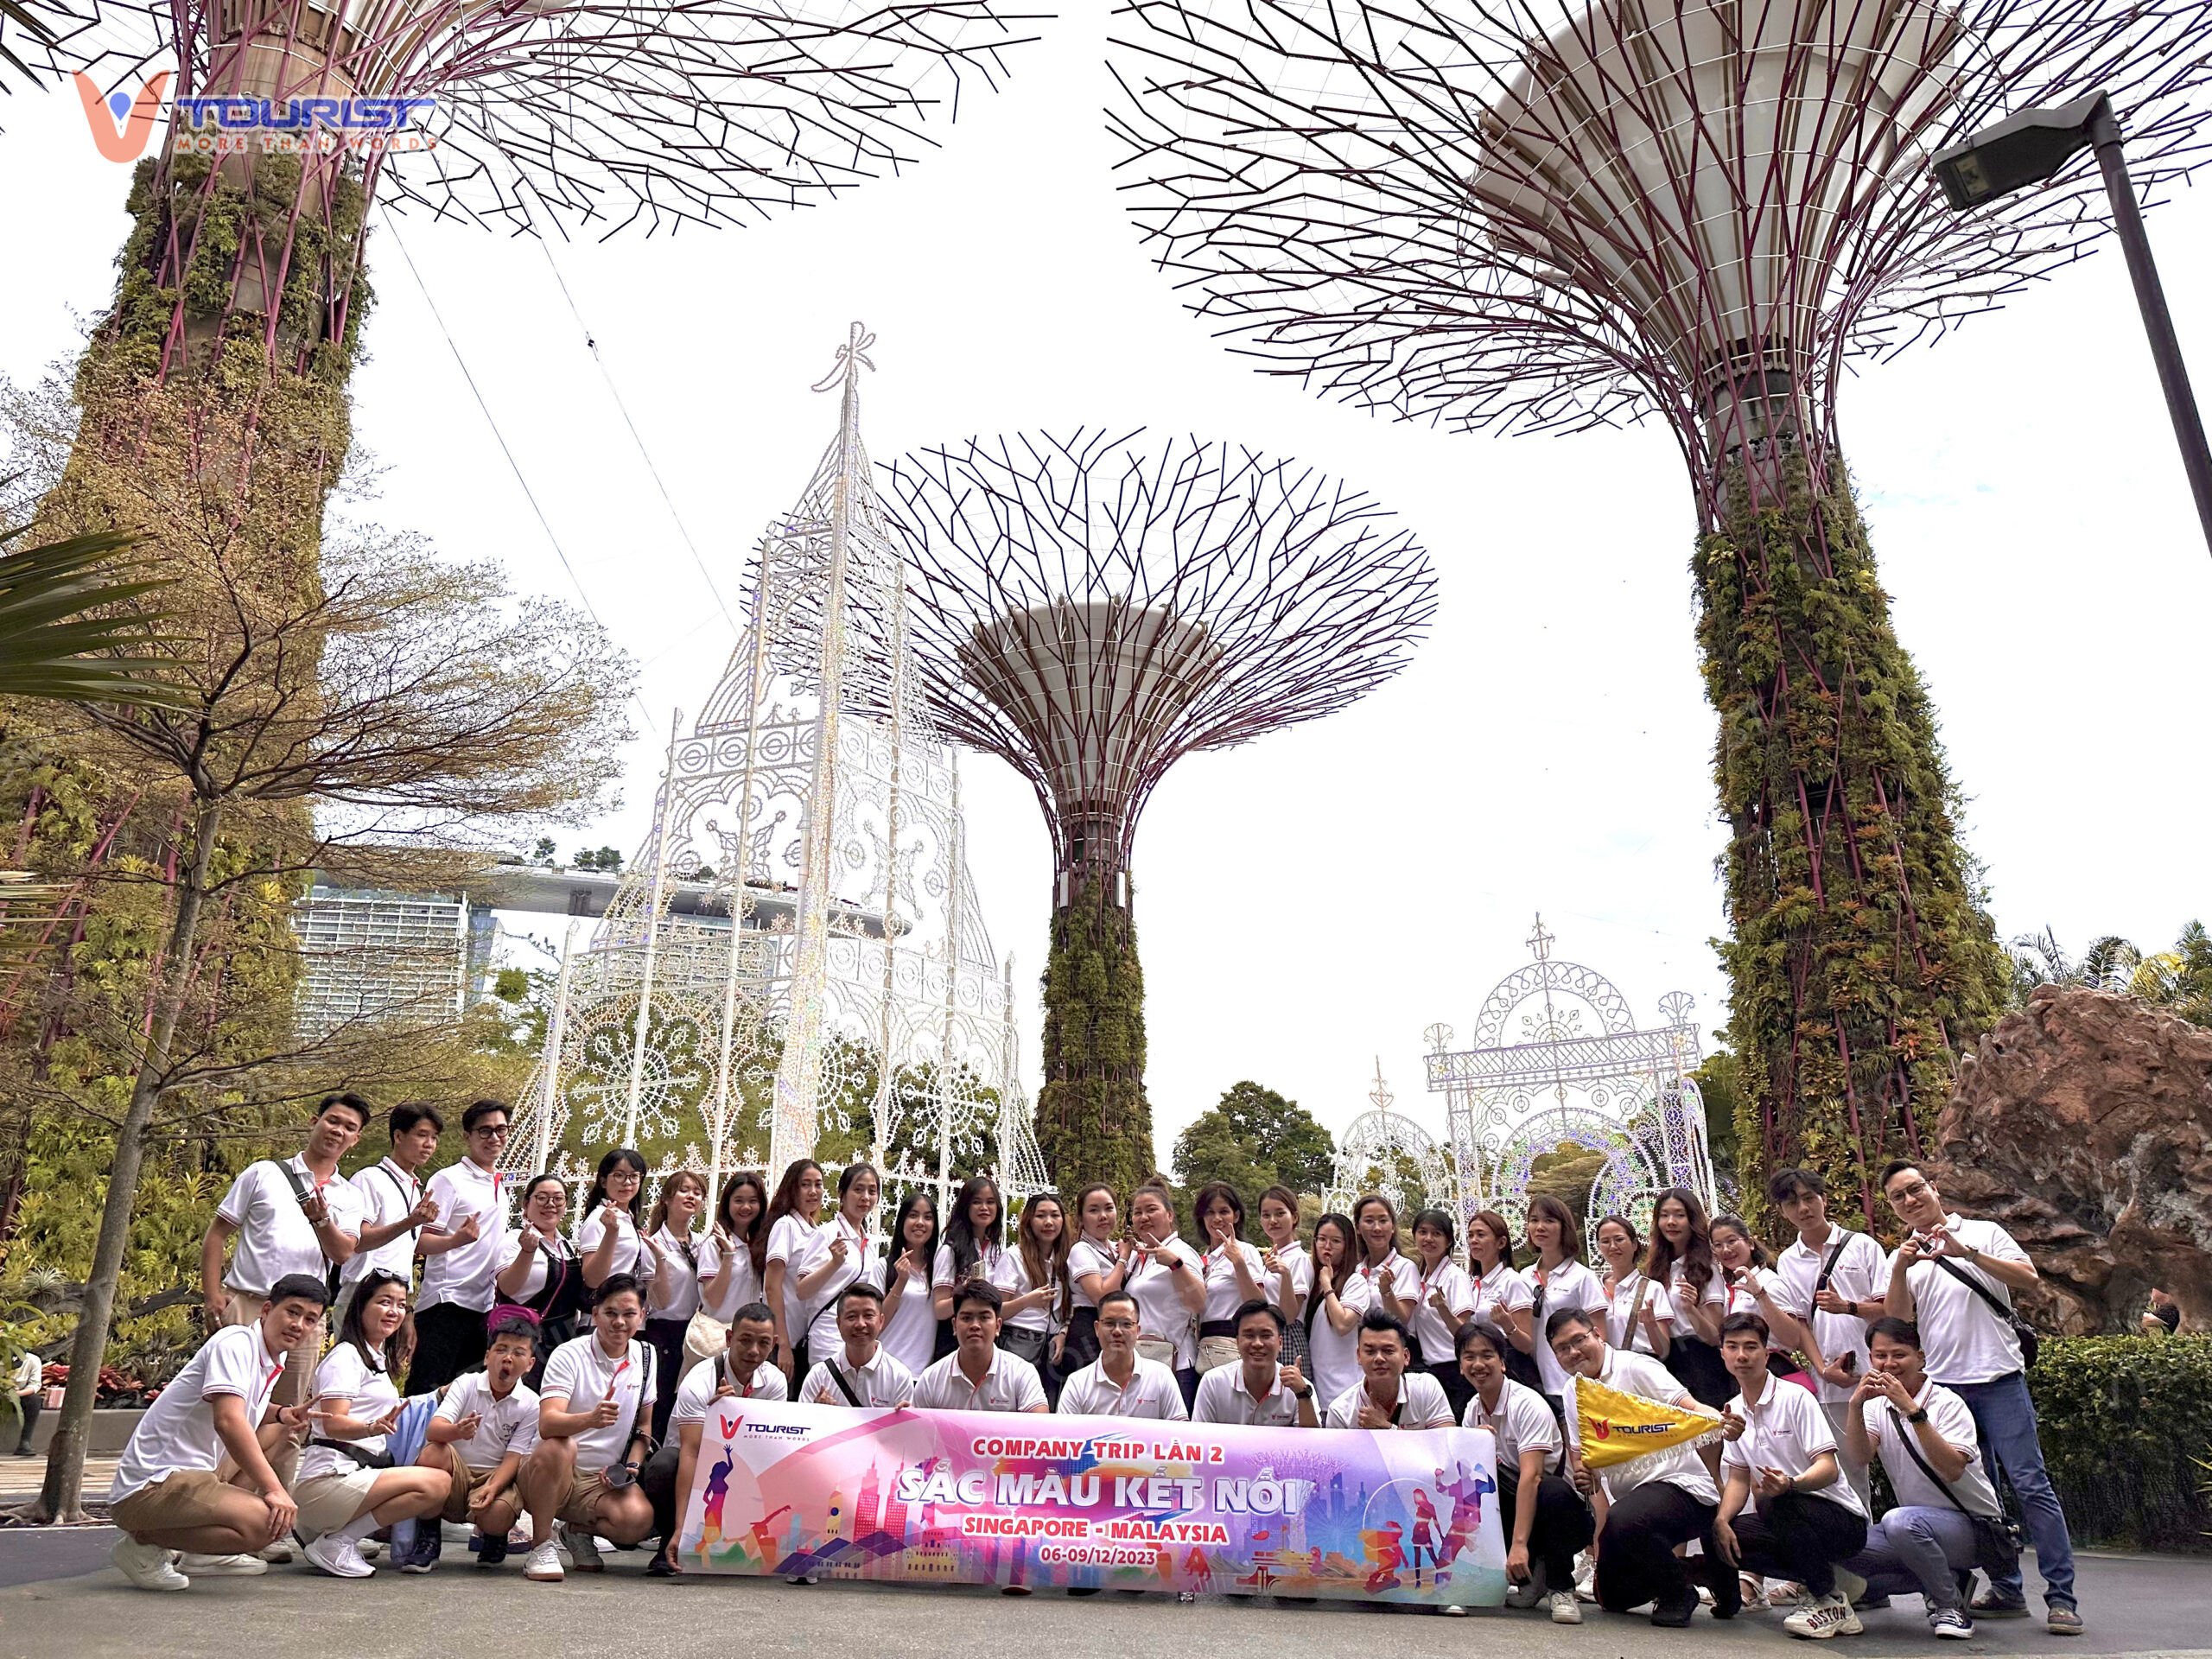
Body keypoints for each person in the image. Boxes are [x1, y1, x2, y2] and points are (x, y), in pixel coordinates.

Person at [1880, 1160, 2079, 1635]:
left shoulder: (1984, 1233)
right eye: (1898, 1197)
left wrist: (1964, 1251)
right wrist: (1902, 1268)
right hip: (1946, 1390)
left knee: (2031, 1486)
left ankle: (2061, 1598)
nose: (1910, 1201)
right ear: (1894, 1209)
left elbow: (2027, 1279)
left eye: (1915, 1189)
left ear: (1933, 1188)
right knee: (1976, 1495)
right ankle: (2007, 1588)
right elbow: (1896, 1322)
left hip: (1999, 1380)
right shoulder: (1903, 1255)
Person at [106, 1273, 327, 1592]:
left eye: (310, 1319)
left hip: (195, 1475)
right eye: (292, 1312)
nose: (299, 1325)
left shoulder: (268, 1358)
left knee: (278, 1430)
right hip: (150, 1487)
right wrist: (274, 1489)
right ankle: (142, 1546)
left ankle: (204, 1557)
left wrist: (282, 1413)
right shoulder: (235, 1342)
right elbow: (229, 1421)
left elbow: (244, 1406)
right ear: (266, 1310)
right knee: (265, 1525)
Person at [1549, 1306, 1726, 1628]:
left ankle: (1678, 1593)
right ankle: (1698, 1569)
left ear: (1597, 1334)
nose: (1573, 1352)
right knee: (1612, 1597)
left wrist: (1721, 1420)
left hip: (1683, 1488)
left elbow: (1689, 1408)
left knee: (1626, 1520)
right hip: (1631, 1504)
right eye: (1562, 1349)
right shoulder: (1572, 1391)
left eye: (1579, 1340)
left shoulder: (1636, 1366)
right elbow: (1583, 1459)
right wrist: (1585, 1479)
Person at [201, 1094, 369, 1428]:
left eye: (349, 1127)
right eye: (332, 1120)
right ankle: (217, 1481)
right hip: (247, 1303)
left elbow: (343, 1253)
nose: (338, 1131)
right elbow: (217, 1234)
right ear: (314, 1121)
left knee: (290, 1418)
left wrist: (322, 1221)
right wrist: (212, 1296)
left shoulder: (350, 1195)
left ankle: (276, 1483)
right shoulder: (263, 1173)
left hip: (305, 1317)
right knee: (229, 1410)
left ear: (355, 1139)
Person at [1840, 1317, 2007, 1640]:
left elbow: (1952, 1468)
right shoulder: (1877, 1407)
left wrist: (1912, 1410)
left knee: (1900, 1522)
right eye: (1880, 1355)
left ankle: (1950, 1606)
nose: (1889, 1364)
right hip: (1918, 1527)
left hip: (1975, 1528)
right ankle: (1950, 1579)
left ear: (1921, 1357)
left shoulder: (1947, 1403)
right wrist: (1855, 1406)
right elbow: (1860, 1457)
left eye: (1899, 1354)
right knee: (1847, 1548)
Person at [1712, 1311, 1869, 1637]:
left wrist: (1791, 1484)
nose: (1742, 1355)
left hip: (1840, 1520)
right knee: (1720, 1529)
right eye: (1733, 1347)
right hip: (1789, 1517)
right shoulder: (1734, 1409)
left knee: (1773, 1502)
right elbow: (1739, 1479)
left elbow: (1828, 1468)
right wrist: (1722, 1520)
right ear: (1722, 1353)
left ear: (1766, 1353)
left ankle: (1828, 1599)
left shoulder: (1795, 1397)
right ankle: (1735, 1599)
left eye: (1751, 1347)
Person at [293, 1268, 448, 1578]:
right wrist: (370, 1428)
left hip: (354, 1473)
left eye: (401, 1304)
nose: (394, 1311)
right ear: (362, 1305)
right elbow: (333, 1422)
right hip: (329, 1478)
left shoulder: (374, 1358)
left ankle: (337, 1534)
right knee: (436, 1484)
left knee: (433, 1479)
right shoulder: (346, 1357)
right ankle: (338, 1541)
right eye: (385, 1302)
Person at [519, 1272, 657, 1583]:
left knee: (638, 1521)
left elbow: (644, 1428)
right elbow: (548, 1423)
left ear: (643, 1316)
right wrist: (590, 1420)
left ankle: (575, 1532)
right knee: (560, 1444)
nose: (619, 1322)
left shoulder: (646, 1357)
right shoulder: (569, 1354)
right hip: (552, 1471)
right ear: (594, 1314)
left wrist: (632, 1465)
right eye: (610, 1313)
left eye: (629, 1314)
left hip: (603, 1481)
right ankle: (541, 1544)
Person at [1455, 1319, 1590, 1624]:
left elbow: (1532, 1478)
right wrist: (1475, 1443)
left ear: (1502, 1363)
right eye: (1469, 1357)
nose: (1478, 1364)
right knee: (1469, 1489)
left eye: (1487, 1355)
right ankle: (1516, 1579)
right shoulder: (1471, 1410)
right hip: (1514, 1503)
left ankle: (1560, 1587)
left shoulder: (1528, 1404)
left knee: (1550, 1492)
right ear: (1460, 1365)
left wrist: (1518, 1546)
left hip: (1562, 1512)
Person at [1772, 1166, 1891, 1510]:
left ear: (1824, 1199)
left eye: (1810, 1198)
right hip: (1834, 1386)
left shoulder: (1862, 1245)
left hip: (1883, 1375)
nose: (1804, 1208)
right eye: (1793, 1203)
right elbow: (1801, 1326)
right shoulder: (1788, 1262)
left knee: (1904, 1463)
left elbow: (1889, 1309)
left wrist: (1848, 1307)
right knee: (1852, 1477)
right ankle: (1864, 1552)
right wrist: (1822, 1369)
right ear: (1783, 1211)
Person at [639, 1301, 785, 1578]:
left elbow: (767, 1450)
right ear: (729, 1338)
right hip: (692, 1464)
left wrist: (738, 1421)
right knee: (663, 1465)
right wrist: (716, 1423)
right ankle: (672, 1538)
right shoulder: (699, 1380)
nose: (754, 1351)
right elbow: (690, 1453)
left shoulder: (775, 1382)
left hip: (742, 1465)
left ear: (774, 1343)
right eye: (745, 1340)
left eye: (763, 1343)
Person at [408, 1308, 541, 1572]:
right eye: (501, 1349)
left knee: (498, 1515)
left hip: (494, 1474)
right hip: (455, 1474)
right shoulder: (466, 1384)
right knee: (433, 1453)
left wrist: (493, 1487)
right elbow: (435, 1430)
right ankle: (428, 1539)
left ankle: (494, 1536)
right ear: (487, 1356)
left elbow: (514, 1456)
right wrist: (457, 1432)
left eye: (518, 1352)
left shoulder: (531, 1404)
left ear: (530, 1364)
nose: (508, 1358)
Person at [412, 1100, 515, 1394]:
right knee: (427, 1392)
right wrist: (456, 1241)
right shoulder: (449, 1180)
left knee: (463, 1397)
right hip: (447, 1303)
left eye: (500, 1130)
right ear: (467, 1136)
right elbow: (418, 1240)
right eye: (484, 1131)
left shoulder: (499, 1185)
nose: (494, 1138)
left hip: (483, 1306)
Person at [336, 1102, 444, 1329]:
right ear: (398, 1136)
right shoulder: (369, 1179)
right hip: (363, 1292)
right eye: (422, 1135)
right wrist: (410, 1222)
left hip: (396, 1296)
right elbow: (358, 1242)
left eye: (434, 1138)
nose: (429, 1144)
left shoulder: (414, 1189)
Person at [1519, 1194, 1609, 1421]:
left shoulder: (1583, 1277)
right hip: (1536, 1381)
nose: (1540, 1227)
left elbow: (1601, 1335)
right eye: (1534, 1220)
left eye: (1549, 1220)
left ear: (1564, 1227)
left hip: (1576, 1381)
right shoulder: (1523, 1277)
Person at [1709, 1212, 1822, 1389]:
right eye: (1718, 1245)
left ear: (1750, 1243)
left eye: (1732, 1241)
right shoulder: (1729, 1287)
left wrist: (1760, 1296)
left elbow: (1792, 1338)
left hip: (1772, 1371)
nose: (1726, 1250)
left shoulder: (1769, 1281)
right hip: (1744, 1375)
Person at [1122, 1179, 1206, 1406]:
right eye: (1137, 1212)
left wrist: (1175, 1265)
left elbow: (1198, 1303)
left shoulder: (1181, 1252)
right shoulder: (1137, 1257)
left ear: (1169, 1215)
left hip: (1175, 1366)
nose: (1144, 1217)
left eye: (1152, 1210)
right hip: (1138, 1362)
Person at [496, 1174, 589, 1380]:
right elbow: (507, 1287)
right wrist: (526, 1253)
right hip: (523, 1342)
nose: (550, 1204)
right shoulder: (514, 1240)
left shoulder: (565, 1245)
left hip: (560, 1342)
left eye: (558, 1199)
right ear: (526, 1203)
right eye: (542, 1198)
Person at [911, 1281, 1049, 1414]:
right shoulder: (931, 1379)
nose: (975, 1325)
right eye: (966, 1318)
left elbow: (1040, 1427)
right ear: (954, 1326)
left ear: (998, 1326)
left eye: (984, 1318)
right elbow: (917, 1430)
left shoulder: (1021, 1373)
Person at [640, 1169, 708, 1442]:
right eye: (684, 1190)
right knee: (661, 1404)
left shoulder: (703, 1243)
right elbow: (659, 1301)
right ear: (667, 1198)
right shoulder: (652, 1244)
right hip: (663, 1334)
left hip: (695, 1335)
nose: (691, 1196)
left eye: (698, 1192)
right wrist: (661, 1260)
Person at [1649, 1185, 1730, 1409]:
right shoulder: (1657, 1269)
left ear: (1692, 1220)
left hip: (1701, 1360)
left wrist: (1690, 1309)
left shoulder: (1707, 1269)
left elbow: (1716, 1336)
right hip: (1667, 1360)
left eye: (1679, 1215)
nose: (1671, 1222)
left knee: (1709, 1433)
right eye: (1664, 1215)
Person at [1058, 1288, 1190, 1419]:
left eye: (1126, 1324)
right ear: (1097, 1329)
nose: (1117, 1331)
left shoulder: (1161, 1376)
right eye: (1109, 1323)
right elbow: (1063, 1436)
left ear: (1138, 1331)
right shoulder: (1077, 1383)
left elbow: (1179, 1434)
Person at [1400, 1207, 1478, 1415]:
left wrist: (1443, 1309)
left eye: (1437, 1233)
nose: (1428, 1239)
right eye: (1423, 1232)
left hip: (1455, 1372)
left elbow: (1466, 1333)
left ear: (1449, 1240)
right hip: (1429, 1370)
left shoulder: (1454, 1277)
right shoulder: (1420, 1277)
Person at [1192, 1300, 1318, 1427]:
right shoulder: (1213, 1382)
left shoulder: (1301, 1387)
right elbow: (1199, 1440)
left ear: (1280, 1343)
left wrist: (1302, 1395)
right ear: (1238, 1342)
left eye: (1266, 1336)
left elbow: (1312, 1443)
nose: (1257, 1343)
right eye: (1249, 1336)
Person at [1324, 1312, 1455, 1429]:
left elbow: (1443, 1446)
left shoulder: (1426, 1388)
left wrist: (1387, 1428)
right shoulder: (1340, 1412)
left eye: (1388, 1351)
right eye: (1370, 1351)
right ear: (1358, 1356)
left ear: (1406, 1356)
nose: (1379, 1358)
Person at [1190, 1182, 1268, 1379]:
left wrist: (1238, 1263)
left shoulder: (1245, 1251)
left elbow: (1258, 1303)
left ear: (1236, 1215)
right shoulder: (1202, 1259)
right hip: (1204, 1350)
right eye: (1210, 1212)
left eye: (1224, 1211)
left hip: (1232, 1346)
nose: (1217, 1219)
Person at [799, 1283, 918, 1408]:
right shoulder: (819, 1375)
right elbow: (802, 1424)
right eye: (852, 1317)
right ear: (839, 1324)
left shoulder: (899, 1376)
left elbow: (902, 1428)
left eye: (868, 1316)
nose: (860, 1324)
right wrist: (817, 1415)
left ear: (881, 1321)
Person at [761, 1159, 827, 1378]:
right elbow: (772, 1287)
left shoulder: (816, 1231)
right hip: (784, 1340)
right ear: (792, 1188)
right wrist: (784, 1345)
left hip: (805, 1338)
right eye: (805, 1184)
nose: (813, 1191)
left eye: (818, 1184)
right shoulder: (786, 1226)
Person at [932, 1175, 1020, 1333]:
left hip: (987, 1337)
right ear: (965, 1206)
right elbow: (939, 1310)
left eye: (990, 1202)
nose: (984, 1207)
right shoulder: (950, 1251)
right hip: (956, 1338)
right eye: (977, 1202)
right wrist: (966, 1290)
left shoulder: (997, 1252)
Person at [1005, 1192, 1070, 1401]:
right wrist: (1027, 1301)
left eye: (1055, 1215)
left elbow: (1073, 1304)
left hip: (1053, 1344)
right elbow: (996, 1309)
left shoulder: (1066, 1259)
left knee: (1047, 1409)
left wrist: (1063, 1332)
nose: (1048, 1222)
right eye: (1041, 1215)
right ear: (1029, 1220)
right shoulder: (1014, 1256)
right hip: (1019, 1339)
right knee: (1015, 1405)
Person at [1062, 1184, 1129, 1376]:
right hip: (1087, 1330)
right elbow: (1100, 1296)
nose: (1103, 1216)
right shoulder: (1081, 1250)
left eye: (1109, 1208)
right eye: (1093, 1210)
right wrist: (1123, 1260)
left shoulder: (1116, 1248)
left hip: (1114, 1327)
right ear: (1081, 1218)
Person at [1304, 1212, 1369, 1410]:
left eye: (1336, 1241)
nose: (1327, 1246)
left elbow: (1343, 1324)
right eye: (1322, 1239)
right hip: (1317, 1388)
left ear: (1348, 1245)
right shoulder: (1311, 1279)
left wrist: (1327, 1285)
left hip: (1346, 1391)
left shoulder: (1355, 1281)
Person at [696, 1172, 768, 1341]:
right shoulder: (714, 1245)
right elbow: (712, 1301)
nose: (746, 1207)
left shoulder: (759, 1247)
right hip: (714, 1338)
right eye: (738, 1200)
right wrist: (729, 1255)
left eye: (753, 1201)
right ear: (727, 1203)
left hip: (748, 1338)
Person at [879, 1191, 942, 1377]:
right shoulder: (883, 1267)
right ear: (902, 1222)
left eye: (928, 1217)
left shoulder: (939, 1270)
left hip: (922, 1376)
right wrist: (900, 1281)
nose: (920, 1222)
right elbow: (876, 1322)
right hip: (886, 1371)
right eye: (913, 1215)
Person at [1596, 1213, 1673, 1360]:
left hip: (1642, 1368)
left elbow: (1663, 1351)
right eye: (1605, 1241)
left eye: (1619, 1239)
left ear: (1634, 1244)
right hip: (1606, 1374)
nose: (1613, 1246)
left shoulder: (1652, 1289)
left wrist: (1651, 1326)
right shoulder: (1595, 1288)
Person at [576, 1147, 653, 1292]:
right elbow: (592, 1280)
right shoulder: (598, 1219)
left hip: (625, 1303)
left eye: (634, 1176)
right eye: (619, 1175)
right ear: (603, 1181)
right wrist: (611, 1233)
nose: (627, 1182)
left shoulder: (627, 1218)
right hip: (605, 1307)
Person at [1255, 1185, 1313, 1361]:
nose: (1273, 1221)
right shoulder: (1270, 1258)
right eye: (1266, 1215)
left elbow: (1289, 1316)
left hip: (1287, 1336)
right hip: (1266, 1332)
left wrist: (1286, 1275)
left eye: (1280, 1214)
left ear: (1294, 1217)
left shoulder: (1299, 1259)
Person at [11, 1344, 42, 1458]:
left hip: (20, 1394)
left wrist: (18, 1394)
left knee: (35, 1401)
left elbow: (35, 1384)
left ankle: (25, 1442)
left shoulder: (33, 1360)